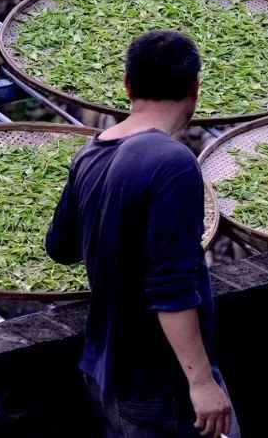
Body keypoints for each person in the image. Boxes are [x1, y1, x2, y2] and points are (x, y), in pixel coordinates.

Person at [46, 30, 236, 438]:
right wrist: (201, 383)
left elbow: (59, 247)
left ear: (127, 86)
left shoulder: (90, 153)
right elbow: (171, 288)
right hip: (159, 385)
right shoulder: (172, 163)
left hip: (105, 372)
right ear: (195, 88)